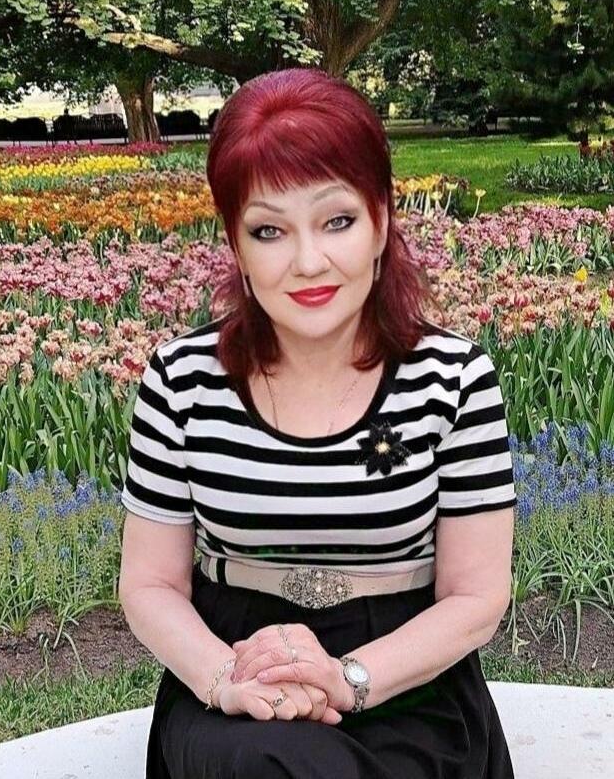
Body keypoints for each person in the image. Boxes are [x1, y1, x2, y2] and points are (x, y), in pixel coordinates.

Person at [118, 67, 517, 778]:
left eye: (337, 221)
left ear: (381, 220)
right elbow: (149, 584)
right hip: (235, 674)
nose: (307, 262)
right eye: (269, 230)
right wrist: (225, 680)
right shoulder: (183, 380)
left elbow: (477, 596)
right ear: (236, 245)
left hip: (404, 677)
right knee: (265, 763)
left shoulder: (452, 378)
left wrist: (346, 678)